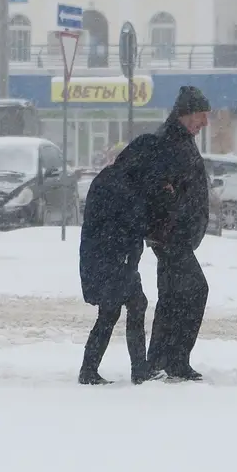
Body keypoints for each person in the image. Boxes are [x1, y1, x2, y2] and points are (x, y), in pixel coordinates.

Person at [141, 86, 212, 381]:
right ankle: (177, 359)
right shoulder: (169, 141)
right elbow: (157, 186)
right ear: (186, 114)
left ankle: (158, 358)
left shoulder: (181, 138)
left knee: (171, 297)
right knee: (196, 291)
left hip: (174, 235)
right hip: (172, 237)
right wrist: (172, 213)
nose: (205, 123)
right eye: (201, 116)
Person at [77, 147, 156, 385]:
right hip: (114, 258)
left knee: (121, 308)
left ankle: (94, 369)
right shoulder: (122, 185)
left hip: (106, 256)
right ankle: (133, 370)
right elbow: (131, 221)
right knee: (121, 308)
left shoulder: (111, 178)